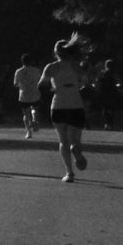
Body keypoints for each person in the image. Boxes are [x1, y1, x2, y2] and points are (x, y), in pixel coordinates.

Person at [42, 36, 92, 182]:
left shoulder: (51, 67)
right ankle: (75, 148)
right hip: (76, 105)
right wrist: (78, 86)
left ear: (56, 52)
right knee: (75, 138)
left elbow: (41, 85)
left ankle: (69, 173)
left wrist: (53, 87)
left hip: (58, 106)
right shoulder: (77, 67)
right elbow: (87, 84)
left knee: (63, 141)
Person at [12, 54, 45, 138]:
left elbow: (15, 84)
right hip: (35, 93)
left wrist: (22, 85)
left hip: (23, 95)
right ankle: (34, 118)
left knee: (26, 114)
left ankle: (28, 132)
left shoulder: (18, 71)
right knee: (34, 109)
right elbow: (40, 80)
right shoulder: (36, 70)